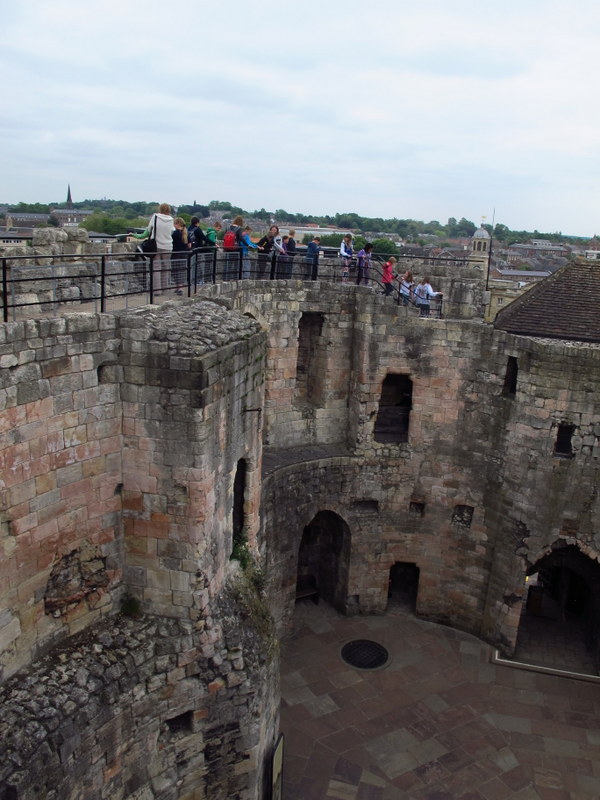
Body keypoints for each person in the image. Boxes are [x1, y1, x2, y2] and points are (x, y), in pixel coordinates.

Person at [132, 203, 174, 293]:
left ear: (160, 209)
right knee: (166, 268)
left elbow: (147, 232)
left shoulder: (155, 217)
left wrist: (135, 235)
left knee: (156, 268)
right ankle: (165, 289)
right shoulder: (171, 219)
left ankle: (157, 290)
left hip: (156, 246)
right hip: (168, 246)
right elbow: (172, 231)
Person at [171, 217, 188, 294]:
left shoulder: (175, 233)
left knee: (175, 271)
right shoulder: (185, 233)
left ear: (177, 224)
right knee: (181, 271)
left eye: (174, 224)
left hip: (175, 255)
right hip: (184, 255)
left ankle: (178, 287)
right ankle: (180, 287)